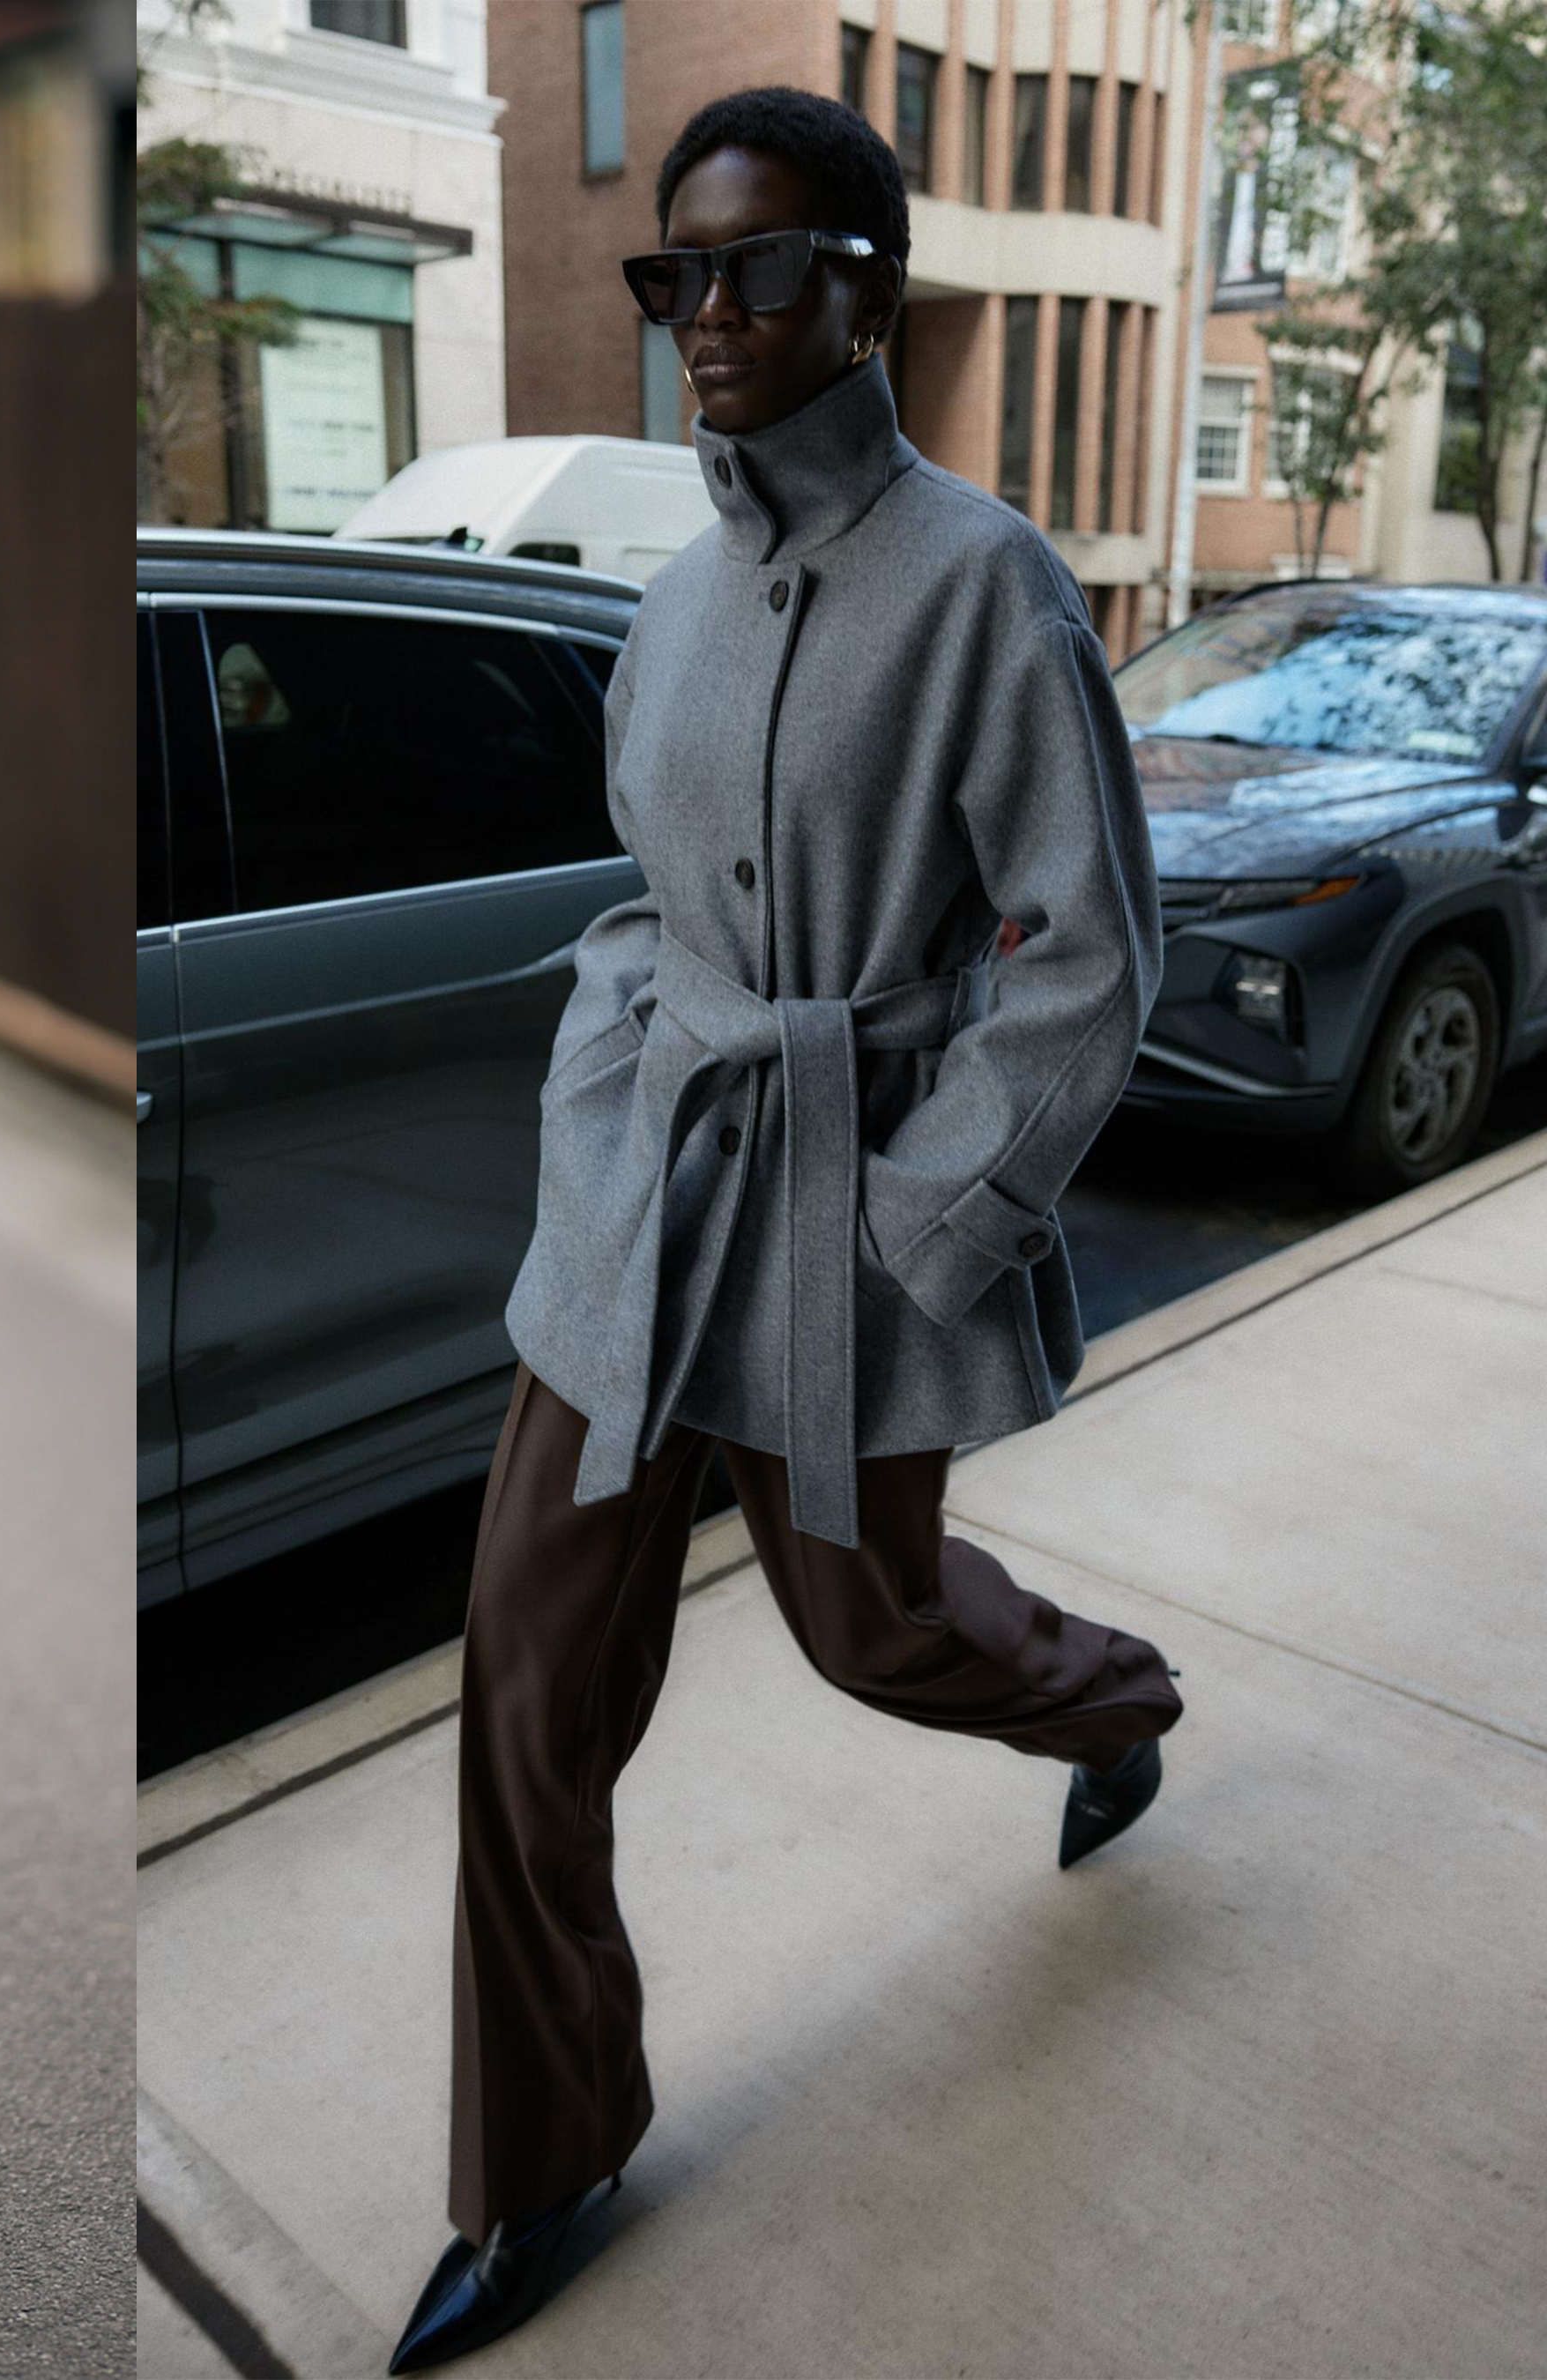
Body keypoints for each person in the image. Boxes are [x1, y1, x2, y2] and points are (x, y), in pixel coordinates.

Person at [386, 87, 1185, 2373]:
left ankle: (1117, 1700)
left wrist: (929, 1221)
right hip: (649, 1210)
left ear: (866, 288)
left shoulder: (989, 586)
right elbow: (659, 900)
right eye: (670, 278)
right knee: (526, 1688)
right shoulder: (681, 588)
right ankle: (542, 2153)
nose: (699, 319)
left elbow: (1082, 958)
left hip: (845, 1210)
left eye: (746, 270)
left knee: (880, 1631)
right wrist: (604, 1110)